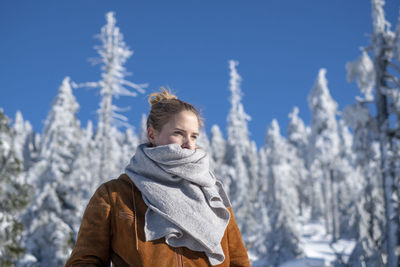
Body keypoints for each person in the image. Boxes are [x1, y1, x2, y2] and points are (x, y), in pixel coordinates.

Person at [65, 88, 250, 267]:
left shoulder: (212, 195)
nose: (188, 145)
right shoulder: (114, 195)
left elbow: (238, 262)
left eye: (194, 136)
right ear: (152, 134)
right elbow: (85, 261)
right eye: (178, 133)